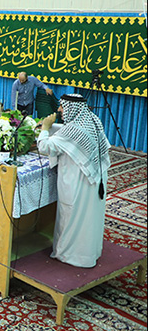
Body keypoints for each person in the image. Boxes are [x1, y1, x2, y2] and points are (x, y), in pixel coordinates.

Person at [38, 94, 110, 268]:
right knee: (89, 218)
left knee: (72, 216)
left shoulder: (73, 130)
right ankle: (88, 253)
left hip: (77, 180)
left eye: (62, 107)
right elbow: (67, 133)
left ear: (72, 108)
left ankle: (69, 255)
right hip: (94, 178)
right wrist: (49, 127)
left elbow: (44, 147)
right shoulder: (92, 120)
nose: (59, 110)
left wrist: (45, 128)